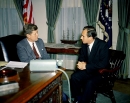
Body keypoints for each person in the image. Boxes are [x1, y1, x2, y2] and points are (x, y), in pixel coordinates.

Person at [70, 26, 109, 103]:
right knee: (74, 77)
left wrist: (86, 66)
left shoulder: (102, 45)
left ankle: (84, 101)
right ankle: (77, 98)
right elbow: (81, 58)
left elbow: (104, 64)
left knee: (90, 82)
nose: (81, 38)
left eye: (83, 36)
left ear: (90, 37)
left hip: (100, 73)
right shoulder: (84, 44)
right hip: (89, 70)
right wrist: (80, 63)